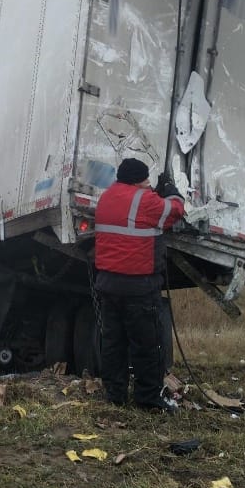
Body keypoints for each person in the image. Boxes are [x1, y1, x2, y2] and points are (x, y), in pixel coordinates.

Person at [94, 158, 185, 413]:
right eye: (146, 180)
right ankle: (147, 398)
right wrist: (170, 190)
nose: (148, 184)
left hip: (108, 284)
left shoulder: (107, 198)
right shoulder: (145, 201)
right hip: (138, 286)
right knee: (146, 345)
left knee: (114, 343)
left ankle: (115, 395)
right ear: (138, 180)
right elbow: (175, 211)